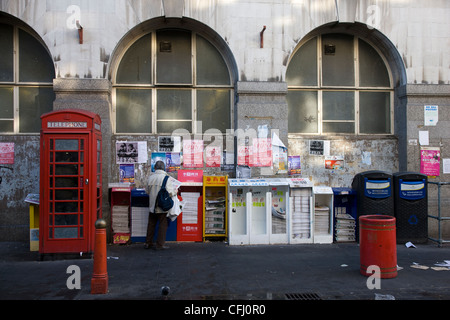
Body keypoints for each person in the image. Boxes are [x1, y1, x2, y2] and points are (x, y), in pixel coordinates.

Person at [145, 160, 176, 250]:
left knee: (151, 224)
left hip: (152, 206)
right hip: (162, 206)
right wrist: (175, 191)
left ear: (155, 168)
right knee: (163, 224)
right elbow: (170, 192)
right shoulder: (167, 178)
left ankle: (148, 243)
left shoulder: (150, 178)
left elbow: (147, 191)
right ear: (164, 168)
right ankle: (160, 245)